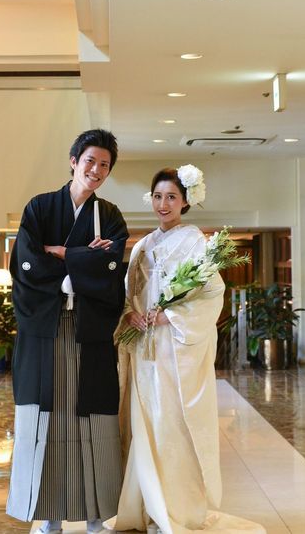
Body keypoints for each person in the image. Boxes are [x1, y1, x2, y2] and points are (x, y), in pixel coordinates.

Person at [115, 167, 265, 534]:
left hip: (174, 350)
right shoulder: (142, 246)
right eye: (158, 196)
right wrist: (130, 314)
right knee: (144, 425)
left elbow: (212, 293)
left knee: (172, 426)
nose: (163, 204)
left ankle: (176, 510)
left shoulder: (195, 242)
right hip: (144, 349)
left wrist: (169, 316)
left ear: (185, 202)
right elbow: (128, 293)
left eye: (171, 197)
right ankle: (147, 507)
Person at [6, 129, 129, 534]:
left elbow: (110, 267)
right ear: (74, 161)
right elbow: (26, 263)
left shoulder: (109, 216)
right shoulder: (40, 207)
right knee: (49, 420)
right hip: (45, 329)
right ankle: (50, 517)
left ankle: (96, 516)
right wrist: (81, 260)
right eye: (90, 160)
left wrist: (61, 253)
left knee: (93, 421)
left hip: (89, 330)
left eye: (105, 165)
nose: (96, 170)